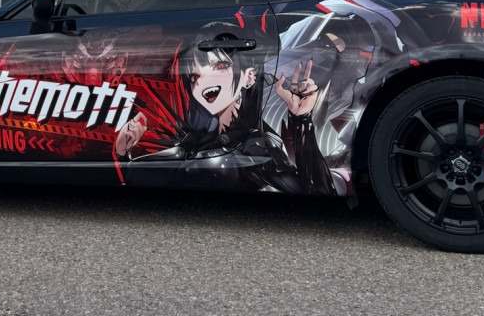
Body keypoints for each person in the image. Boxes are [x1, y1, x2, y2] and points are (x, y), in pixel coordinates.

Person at [114, 22, 343, 196]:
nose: (203, 80)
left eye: (218, 65)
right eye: (194, 76)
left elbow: (317, 191)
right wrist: (123, 153)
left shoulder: (258, 145)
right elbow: (138, 178)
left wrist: (302, 120)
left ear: (249, 76)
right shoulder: (194, 140)